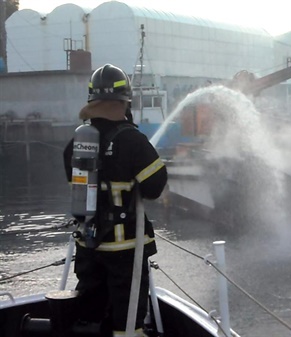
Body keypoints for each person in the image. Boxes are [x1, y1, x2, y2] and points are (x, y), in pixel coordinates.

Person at [63, 64, 168, 337]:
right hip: (125, 250)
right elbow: (155, 187)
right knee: (128, 318)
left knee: (91, 313)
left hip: (88, 244)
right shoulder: (132, 140)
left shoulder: (76, 142)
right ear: (124, 101)